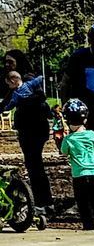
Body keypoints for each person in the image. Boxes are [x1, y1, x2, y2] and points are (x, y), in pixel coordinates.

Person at [0, 67, 54, 222]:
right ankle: (45, 202)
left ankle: (41, 203)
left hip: (31, 132)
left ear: (13, 81)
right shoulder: (26, 88)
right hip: (35, 131)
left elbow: (8, 106)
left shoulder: (21, 93)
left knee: (35, 167)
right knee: (36, 167)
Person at [60, 23, 94, 159]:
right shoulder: (78, 57)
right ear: (91, 42)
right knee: (85, 153)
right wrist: (66, 105)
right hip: (84, 112)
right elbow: (65, 83)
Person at [60, 98, 94, 230]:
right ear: (85, 120)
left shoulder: (68, 139)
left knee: (82, 201)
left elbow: (64, 152)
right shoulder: (92, 134)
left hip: (79, 174)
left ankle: (88, 224)